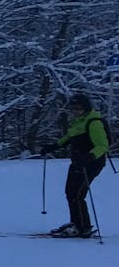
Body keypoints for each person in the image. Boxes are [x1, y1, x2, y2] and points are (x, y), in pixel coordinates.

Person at [42, 94, 109, 238]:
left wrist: (89, 157)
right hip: (78, 162)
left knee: (77, 194)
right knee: (70, 192)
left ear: (86, 107)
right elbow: (69, 138)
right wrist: (53, 146)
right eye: (73, 108)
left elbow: (103, 146)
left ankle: (82, 227)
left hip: (92, 163)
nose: (76, 111)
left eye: (79, 108)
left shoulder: (94, 122)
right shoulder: (78, 122)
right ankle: (76, 224)